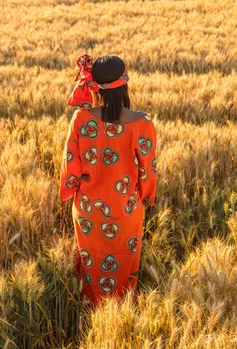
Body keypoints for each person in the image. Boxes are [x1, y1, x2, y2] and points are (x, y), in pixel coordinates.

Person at [59, 54, 158, 307]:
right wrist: (146, 196)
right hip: (126, 211)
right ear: (124, 83)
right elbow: (148, 170)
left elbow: (70, 166)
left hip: (88, 211)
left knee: (90, 266)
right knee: (125, 264)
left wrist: (70, 190)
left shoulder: (80, 119)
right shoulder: (142, 123)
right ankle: (122, 316)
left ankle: (90, 315)